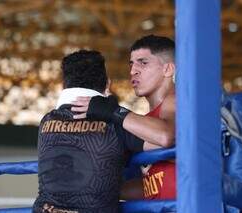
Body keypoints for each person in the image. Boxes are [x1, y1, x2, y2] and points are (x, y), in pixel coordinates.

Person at [32, 50, 144, 213]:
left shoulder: (46, 121)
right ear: (107, 84)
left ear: (63, 86)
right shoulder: (114, 124)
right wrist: (117, 112)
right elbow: (166, 139)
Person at [71, 35, 176, 200]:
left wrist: (113, 111)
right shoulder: (145, 123)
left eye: (143, 62)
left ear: (168, 69)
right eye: (132, 63)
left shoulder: (179, 100)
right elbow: (152, 185)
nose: (133, 70)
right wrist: (102, 190)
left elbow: (166, 136)